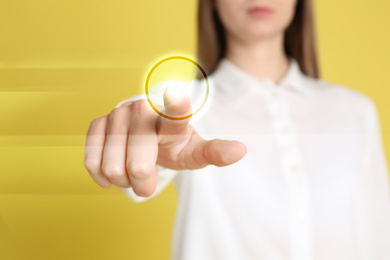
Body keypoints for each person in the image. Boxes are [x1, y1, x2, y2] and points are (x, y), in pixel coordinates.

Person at [84, 0, 390, 259]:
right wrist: (136, 131)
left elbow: (379, 234)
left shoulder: (355, 110)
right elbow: (151, 121)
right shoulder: (185, 105)